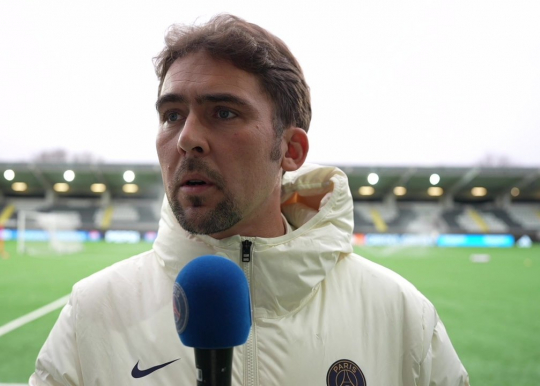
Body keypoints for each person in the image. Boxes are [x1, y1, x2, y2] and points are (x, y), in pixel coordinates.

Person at [30, 14, 470, 385]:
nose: (187, 139)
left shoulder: (400, 315)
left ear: (290, 150)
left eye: (223, 112)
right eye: (172, 115)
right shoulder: (92, 313)